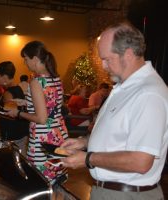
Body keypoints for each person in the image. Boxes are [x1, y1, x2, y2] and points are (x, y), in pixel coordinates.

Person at [59, 21, 168, 200]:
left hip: (128, 195)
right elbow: (119, 136)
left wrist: (88, 158)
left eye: (107, 59)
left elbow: (140, 161)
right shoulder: (125, 87)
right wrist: (85, 142)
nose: (103, 66)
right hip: (112, 192)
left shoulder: (149, 94)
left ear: (129, 54)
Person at [6, 41, 68, 182]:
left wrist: (18, 113)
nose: (25, 63)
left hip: (42, 140)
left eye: (26, 59)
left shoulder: (36, 82)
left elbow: (41, 118)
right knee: (55, 180)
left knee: (40, 182)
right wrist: (26, 102)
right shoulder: (56, 78)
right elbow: (52, 106)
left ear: (34, 59)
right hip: (59, 135)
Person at [0, 61, 29, 155]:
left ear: (4, 77)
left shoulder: (8, 93)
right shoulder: (18, 88)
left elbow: (8, 115)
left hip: (13, 135)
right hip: (21, 132)